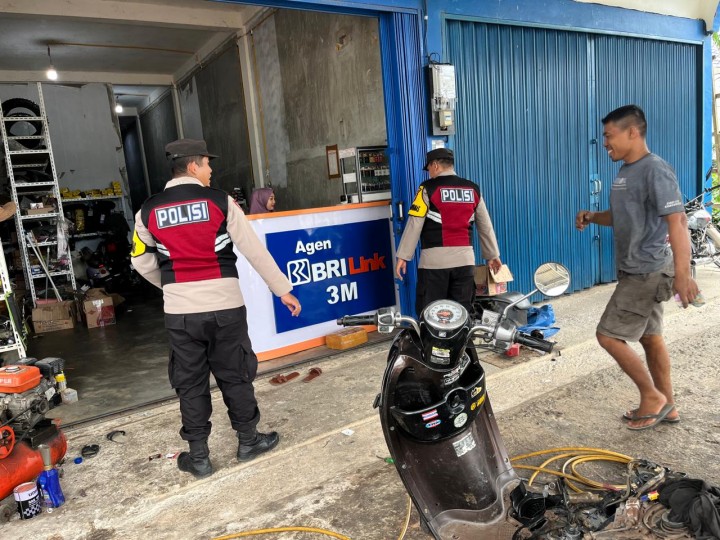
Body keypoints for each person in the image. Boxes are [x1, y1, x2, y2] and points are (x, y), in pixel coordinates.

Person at [131, 138, 301, 478]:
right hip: (226, 306)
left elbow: (140, 261)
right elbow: (254, 251)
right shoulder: (220, 201)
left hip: (180, 312)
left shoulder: (147, 211)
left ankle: (199, 458)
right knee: (235, 374)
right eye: (208, 164)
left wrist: (174, 287)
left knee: (190, 382)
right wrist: (283, 290)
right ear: (193, 166)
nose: (211, 171)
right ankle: (248, 442)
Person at [575, 105, 699, 431]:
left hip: (647, 269)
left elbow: (678, 220)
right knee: (651, 337)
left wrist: (684, 276)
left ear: (632, 132)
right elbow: (621, 216)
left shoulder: (654, 170)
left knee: (608, 336)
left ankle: (651, 396)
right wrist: (592, 216)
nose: (604, 142)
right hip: (639, 268)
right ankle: (667, 406)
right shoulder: (626, 172)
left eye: (608, 135)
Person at [395, 147, 502, 316]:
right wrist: (492, 255)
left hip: (434, 264)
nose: (429, 172)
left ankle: (432, 343)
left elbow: (414, 224)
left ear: (435, 165)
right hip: (465, 262)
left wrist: (403, 256)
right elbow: (485, 225)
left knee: (431, 315)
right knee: (461, 314)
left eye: (429, 168)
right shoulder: (472, 189)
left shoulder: (427, 188)